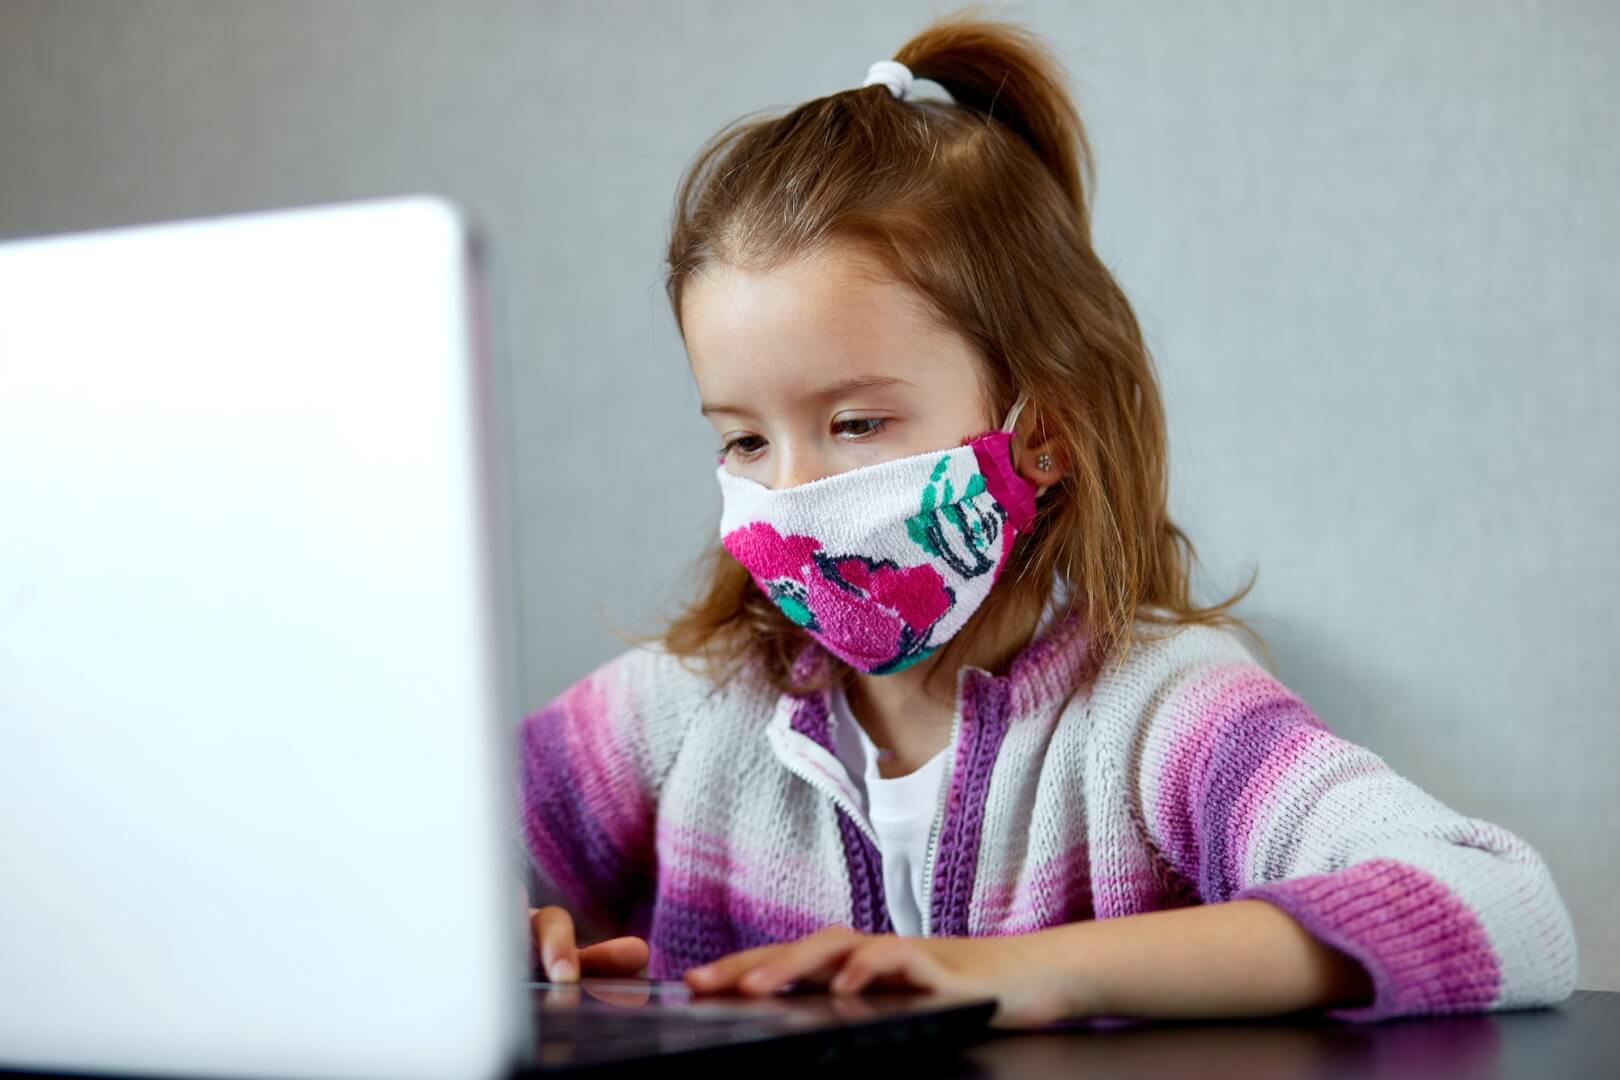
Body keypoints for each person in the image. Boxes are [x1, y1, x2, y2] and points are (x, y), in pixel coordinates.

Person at [516, 12, 1578, 1028]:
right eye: (745, 440)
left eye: (853, 421)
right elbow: (388, 864)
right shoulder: (685, 710)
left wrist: (1026, 975)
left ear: (1047, 431)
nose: (787, 494)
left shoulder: (1156, 715)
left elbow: (1505, 908)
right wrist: (500, 940)